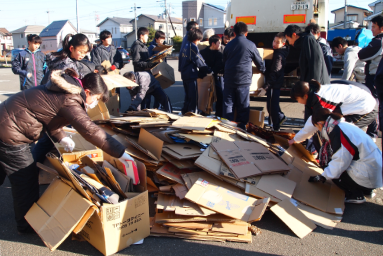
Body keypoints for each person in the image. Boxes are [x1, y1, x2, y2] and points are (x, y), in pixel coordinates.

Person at [0, 69, 134, 234]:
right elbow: (90, 130)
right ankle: (27, 225)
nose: (94, 103)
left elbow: (47, 113)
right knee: (25, 179)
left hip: (5, 123)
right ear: (87, 92)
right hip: (10, 133)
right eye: (97, 99)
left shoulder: (64, 89)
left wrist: (61, 137)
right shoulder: (70, 98)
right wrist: (121, 152)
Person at [308, 108, 382, 204]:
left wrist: (323, 176)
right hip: (374, 171)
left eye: (317, 127)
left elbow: (340, 162)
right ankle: (366, 189)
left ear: (320, 123)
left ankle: (355, 194)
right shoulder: (343, 125)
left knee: (331, 168)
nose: (318, 130)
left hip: (368, 173)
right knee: (335, 166)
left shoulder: (338, 132)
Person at [288, 80, 377, 147]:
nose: (298, 102)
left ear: (305, 96)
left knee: (342, 132)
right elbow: (313, 120)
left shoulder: (321, 100)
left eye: (297, 99)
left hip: (366, 108)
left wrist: (296, 139)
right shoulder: (314, 92)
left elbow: (313, 122)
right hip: (355, 103)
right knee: (336, 130)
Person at [223, 22, 265, 130]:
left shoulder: (229, 45)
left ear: (235, 33)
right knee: (243, 105)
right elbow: (259, 62)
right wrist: (264, 70)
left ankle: (227, 126)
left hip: (229, 79)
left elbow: (224, 61)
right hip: (243, 80)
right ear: (246, 33)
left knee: (228, 104)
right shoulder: (250, 45)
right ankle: (241, 127)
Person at [256, 32, 288, 131]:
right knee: (272, 104)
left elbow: (274, 73)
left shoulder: (278, 55)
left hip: (274, 84)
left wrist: (266, 87)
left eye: (277, 42)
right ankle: (278, 119)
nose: (274, 43)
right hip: (275, 83)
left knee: (272, 106)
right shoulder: (277, 52)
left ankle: (276, 126)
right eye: (274, 41)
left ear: (283, 44)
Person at [358, 15, 383, 140]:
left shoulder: (378, 41)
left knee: (373, 105)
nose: (371, 29)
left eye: (374, 27)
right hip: (377, 77)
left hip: (375, 77)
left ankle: (372, 132)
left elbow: (361, 54)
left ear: (381, 28)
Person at [179, 29, 212, 114]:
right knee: (193, 96)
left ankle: (185, 111)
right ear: (196, 38)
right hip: (190, 74)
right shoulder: (192, 47)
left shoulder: (185, 46)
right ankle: (191, 113)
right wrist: (207, 70)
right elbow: (199, 60)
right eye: (199, 39)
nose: (199, 41)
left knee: (187, 96)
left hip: (184, 73)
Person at [200, 35, 224, 117]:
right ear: (213, 44)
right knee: (204, 97)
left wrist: (211, 71)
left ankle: (219, 114)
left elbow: (219, 66)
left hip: (215, 77)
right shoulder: (203, 52)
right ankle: (203, 113)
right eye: (219, 43)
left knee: (220, 96)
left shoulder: (220, 54)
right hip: (204, 78)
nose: (220, 45)